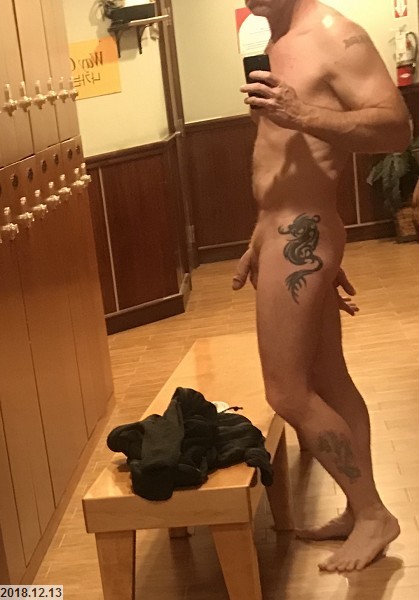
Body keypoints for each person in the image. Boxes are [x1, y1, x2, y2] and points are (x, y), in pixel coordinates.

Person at [232, 0, 411, 572]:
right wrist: (260, 235)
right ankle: (360, 512)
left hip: (301, 235)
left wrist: (301, 112)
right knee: (329, 379)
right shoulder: (273, 36)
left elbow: (395, 127)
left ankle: (374, 513)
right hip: (284, 234)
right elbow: (280, 156)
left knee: (286, 392)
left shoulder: (334, 35)